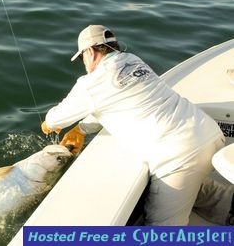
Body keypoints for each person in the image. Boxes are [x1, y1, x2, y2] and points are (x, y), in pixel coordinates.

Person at [41, 25, 234, 225]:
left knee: (162, 231)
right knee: (192, 182)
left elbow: (56, 118)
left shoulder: (91, 84)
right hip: (208, 132)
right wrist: (81, 129)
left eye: (82, 58)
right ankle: (229, 206)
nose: (84, 64)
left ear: (90, 51)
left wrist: (48, 123)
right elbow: (114, 100)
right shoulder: (133, 61)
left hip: (179, 154)